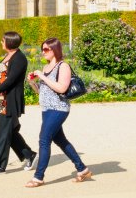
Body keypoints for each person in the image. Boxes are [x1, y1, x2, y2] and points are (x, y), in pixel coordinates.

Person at [25, 37, 92, 188]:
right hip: (47, 109)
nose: (43, 52)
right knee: (60, 140)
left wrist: (42, 76)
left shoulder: (63, 66)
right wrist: (32, 83)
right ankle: (82, 169)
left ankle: (38, 177)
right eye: (42, 49)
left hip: (59, 109)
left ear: (55, 50)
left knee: (44, 139)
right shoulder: (46, 68)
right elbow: (42, 92)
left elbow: (61, 88)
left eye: (46, 50)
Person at [0, 31, 37, 175]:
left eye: (3, 40)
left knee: (2, 133)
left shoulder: (20, 58)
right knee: (9, 131)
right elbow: (1, 78)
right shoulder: (8, 55)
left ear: (10, 43)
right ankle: (29, 154)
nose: (1, 42)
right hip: (1, 100)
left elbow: (10, 80)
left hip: (9, 101)